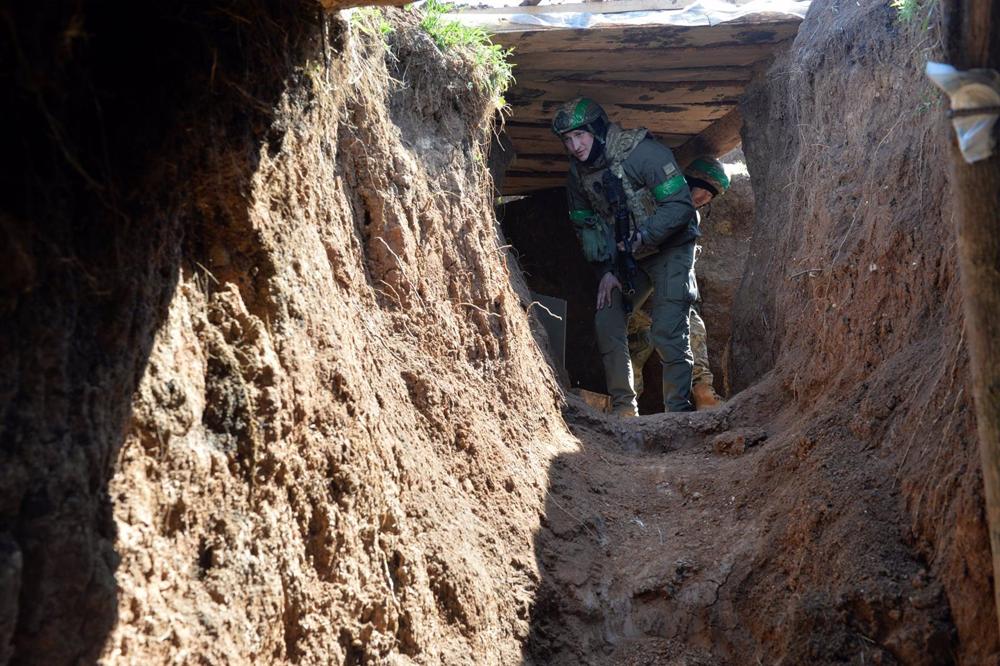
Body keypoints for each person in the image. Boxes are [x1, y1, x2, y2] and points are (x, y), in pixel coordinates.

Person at [553, 97, 699, 415]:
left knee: (667, 329)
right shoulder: (578, 177)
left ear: (597, 130)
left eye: (580, 135)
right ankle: (624, 412)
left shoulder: (644, 153)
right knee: (606, 319)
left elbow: (680, 206)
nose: (574, 146)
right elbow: (586, 229)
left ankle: (678, 414)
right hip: (627, 258)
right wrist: (605, 271)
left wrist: (644, 235)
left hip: (670, 249)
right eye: (567, 139)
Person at [628, 156, 731, 410]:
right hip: (646, 296)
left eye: (710, 196)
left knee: (690, 339)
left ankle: (702, 395)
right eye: (702, 190)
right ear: (688, 182)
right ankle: (625, 411)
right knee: (635, 354)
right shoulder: (661, 207)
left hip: (659, 298)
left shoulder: (685, 213)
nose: (704, 198)